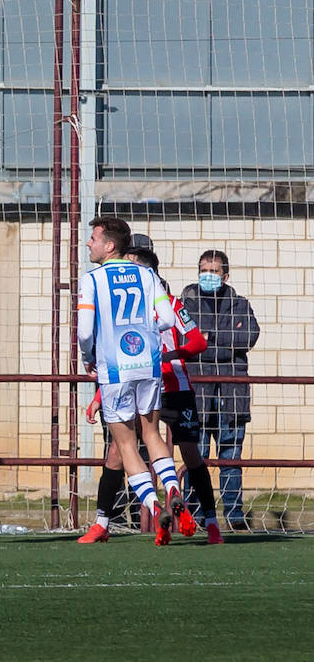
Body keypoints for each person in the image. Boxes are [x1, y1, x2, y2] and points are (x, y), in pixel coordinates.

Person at [84, 240, 217, 543]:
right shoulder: (128, 309)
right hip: (145, 382)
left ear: (149, 273)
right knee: (118, 451)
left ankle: (210, 523)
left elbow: (197, 342)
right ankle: (102, 523)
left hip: (172, 387)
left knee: (188, 454)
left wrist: (168, 356)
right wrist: (97, 397)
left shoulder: (170, 303)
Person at [76, 217, 181, 545]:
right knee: (151, 433)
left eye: (93, 238)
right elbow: (167, 319)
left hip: (115, 368)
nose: (88, 244)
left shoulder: (92, 279)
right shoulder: (148, 274)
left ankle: (153, 505)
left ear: (109, 245)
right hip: (148, 365)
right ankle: (174, 489)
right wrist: (142, 331)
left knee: (124, 444)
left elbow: (83, 332)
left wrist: (87, 357)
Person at [181, 250, 261, 530]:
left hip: (231, 395)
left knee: (230, 457)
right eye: (204, 270)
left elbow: (248, 336)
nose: (209, 275)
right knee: (196, 457)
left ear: (225, 276)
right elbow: (183, 340)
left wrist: (207, 337)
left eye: (214, 271)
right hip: (197, 394)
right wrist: (218, 343)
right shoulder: (185, 304)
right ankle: (197, 514)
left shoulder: (240, 304)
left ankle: (234, 514)